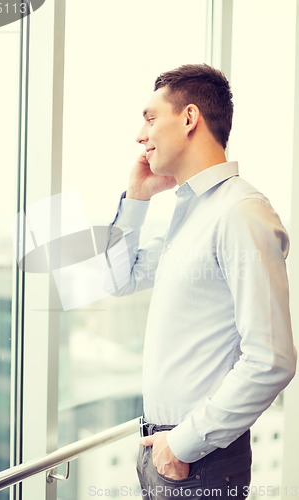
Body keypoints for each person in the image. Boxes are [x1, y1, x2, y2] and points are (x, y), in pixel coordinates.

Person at [106, 64, 297, 499]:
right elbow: (118, 280)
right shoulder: (192, 211)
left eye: (151, 118)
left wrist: (182, 445)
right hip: (168, 450)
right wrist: (136, 198)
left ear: (189, 118)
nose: (140, 135)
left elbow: (272, 359)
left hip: (198, 459)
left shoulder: (240, 213)